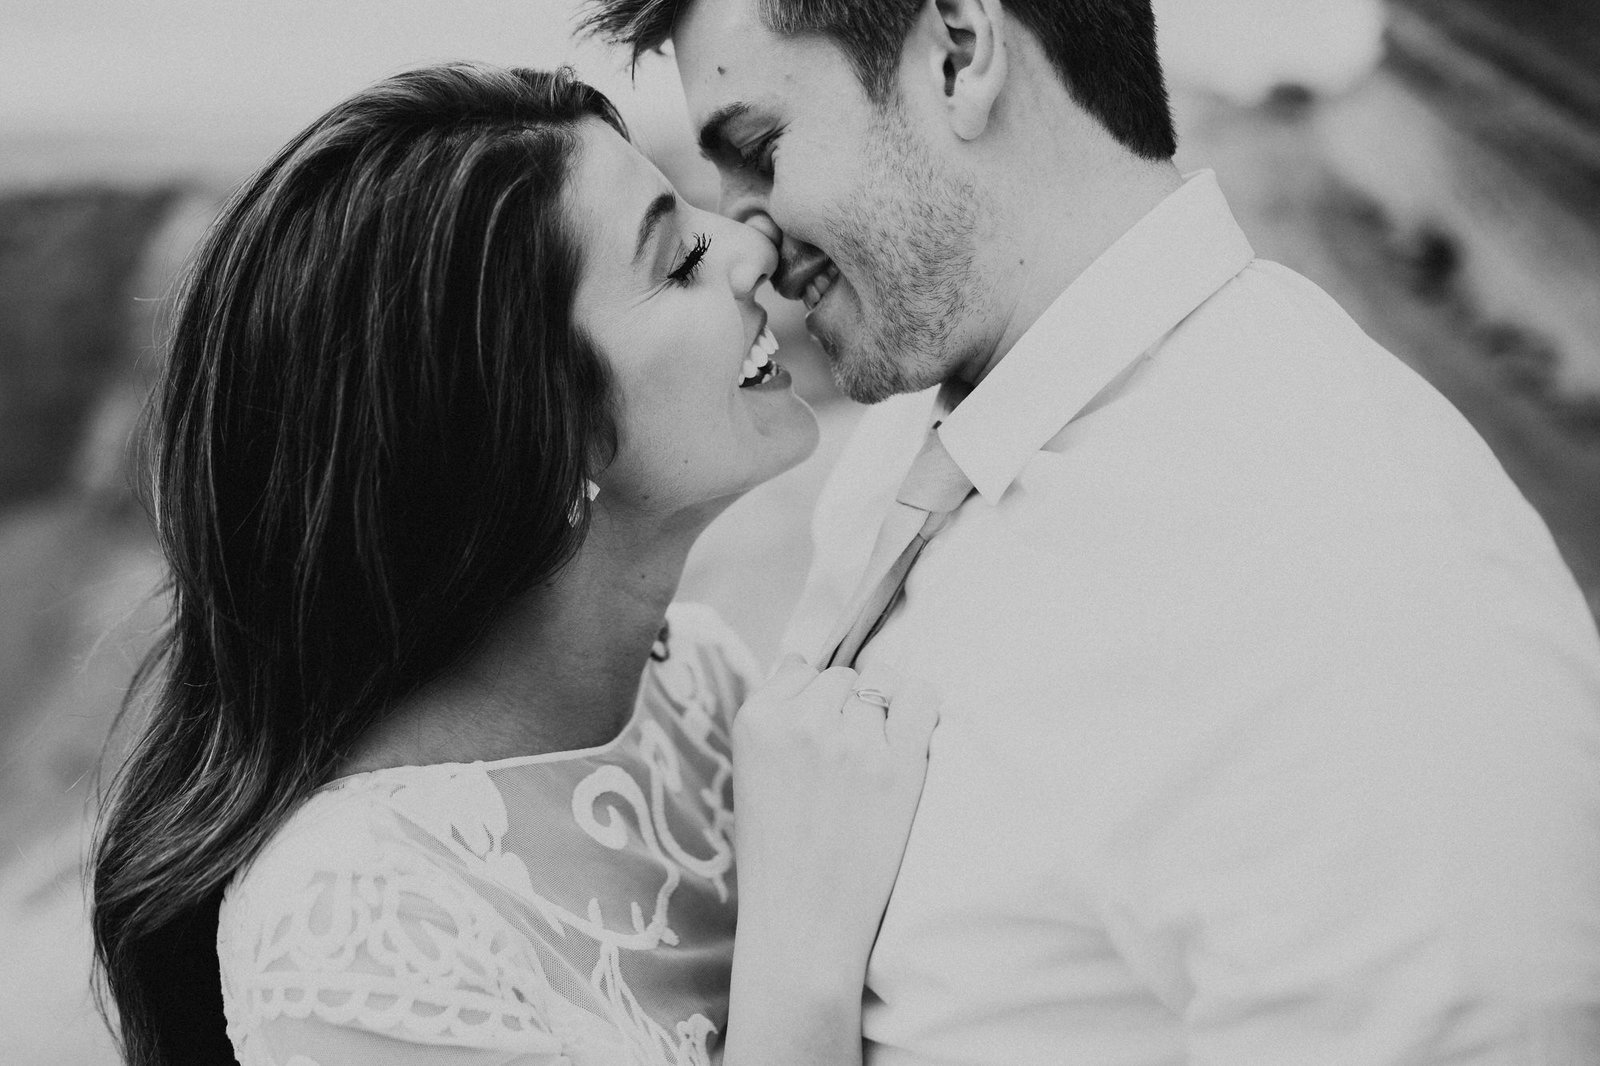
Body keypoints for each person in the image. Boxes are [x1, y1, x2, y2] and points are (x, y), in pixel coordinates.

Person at [581, 0, 1600, 1060]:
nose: (743, 237)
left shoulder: (1345, 570)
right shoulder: (905, 455)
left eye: (760, 149)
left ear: (959, 54)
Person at [89, 63, 939, 1066]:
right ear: (533, 434)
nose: (751, 247)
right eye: (677, 261)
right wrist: (802, 958)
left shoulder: (695, 691)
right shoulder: (359, 927)